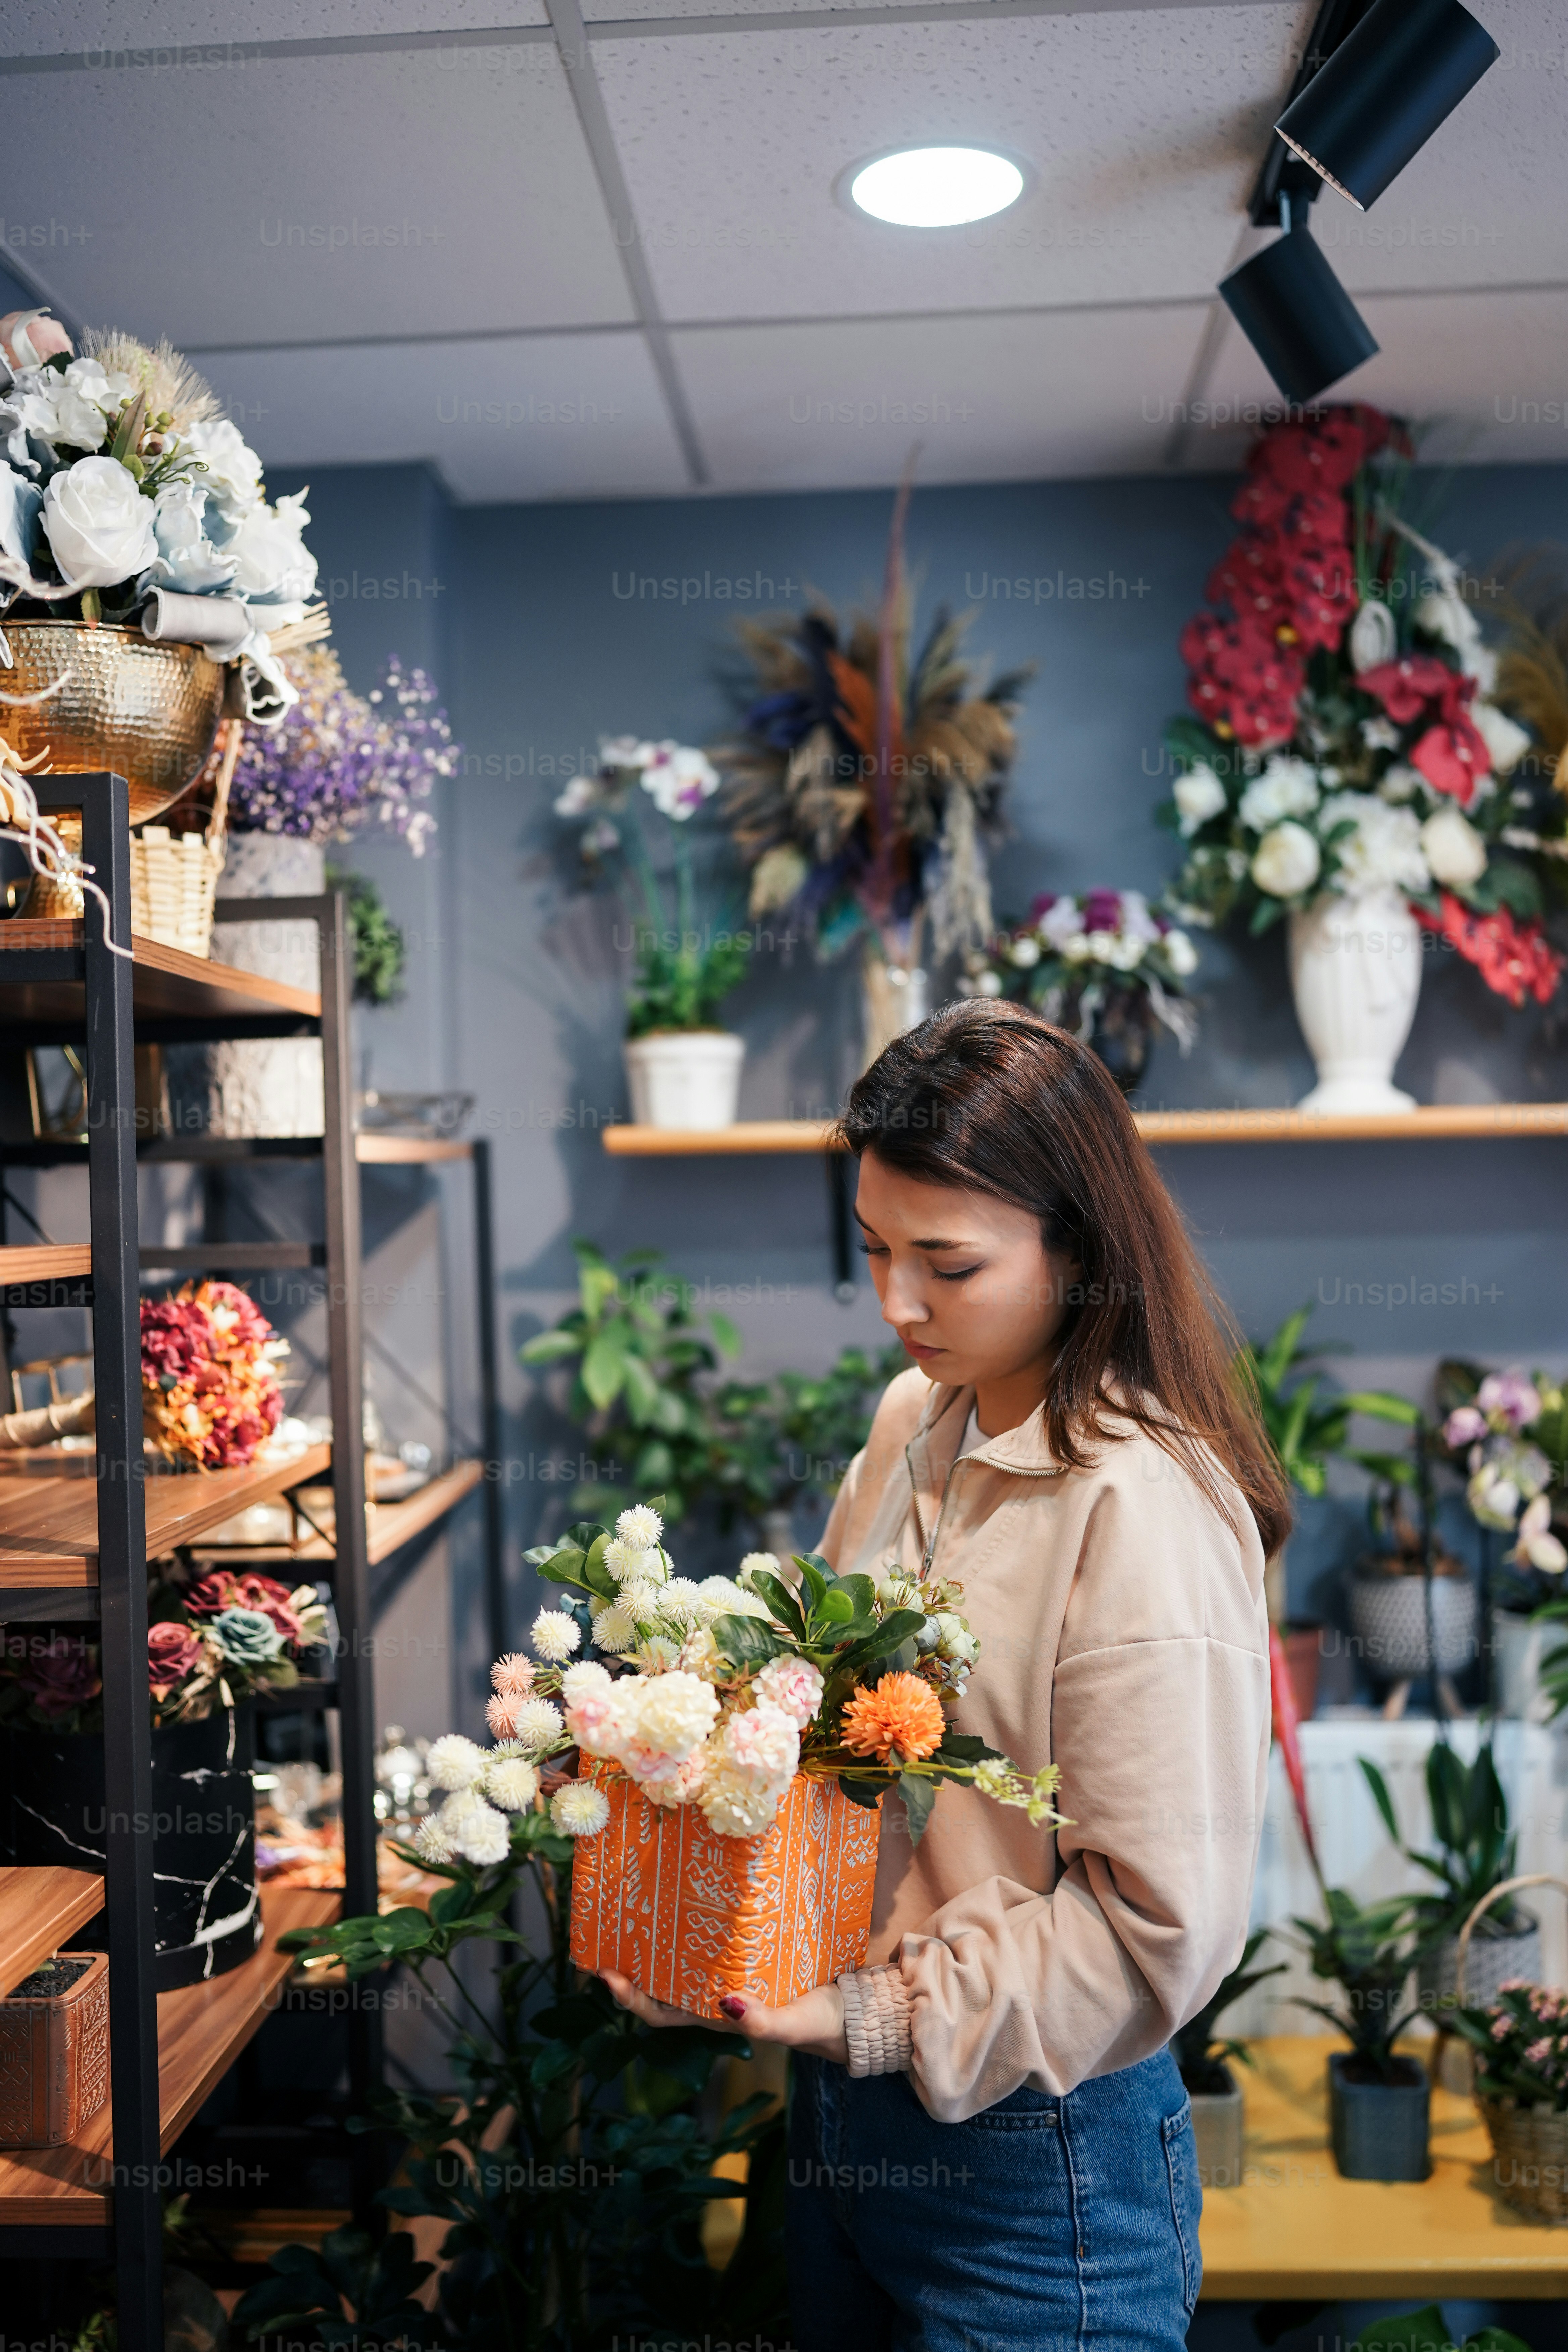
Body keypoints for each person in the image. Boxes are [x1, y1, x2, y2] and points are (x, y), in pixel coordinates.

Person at [599, 1000, 1287, 2350]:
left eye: (947, 1264)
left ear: (1076, 1250)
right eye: (874, 1250)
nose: (897, 1304)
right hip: (855, 2124)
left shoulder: (1137, 1507)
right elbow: (838, 1740)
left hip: (1039, 2168)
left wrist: (865, 2010)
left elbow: (1155, 1932)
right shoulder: (917, 1419)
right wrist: (689, 1887)